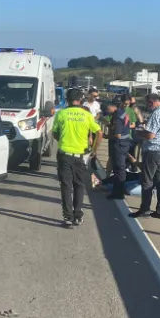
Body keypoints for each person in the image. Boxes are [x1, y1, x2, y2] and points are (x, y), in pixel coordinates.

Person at [51, 88, 101, 228]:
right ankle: (77, 215)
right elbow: (100, 133)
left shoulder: (61, 114)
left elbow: (55, 134)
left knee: (66, 186)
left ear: (67, 100)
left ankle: (68, 217)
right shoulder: (87, 115)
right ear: (81, 100)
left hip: (64, 154)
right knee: (79, 185)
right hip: (81, 155)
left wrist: (63, 139)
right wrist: (94, 150)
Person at [132, 94, 160, 219]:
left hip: (154, 151)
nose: (148, 106)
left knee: (147, 181)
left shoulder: (157, 114)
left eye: (148, 104)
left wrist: (139, 132)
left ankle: (145, 210)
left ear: (152, 102)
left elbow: (150, 135)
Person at [103, 98, 133, 200]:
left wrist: (107, 137)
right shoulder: (123, 113)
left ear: (111, 107)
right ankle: (117, 191)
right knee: (120, 169)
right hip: (125, 144)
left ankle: (118, 193)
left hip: (119, 145)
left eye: (107, 109)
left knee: (119, 170)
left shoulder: (117, 116)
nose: (107, 112)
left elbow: (118, 135)